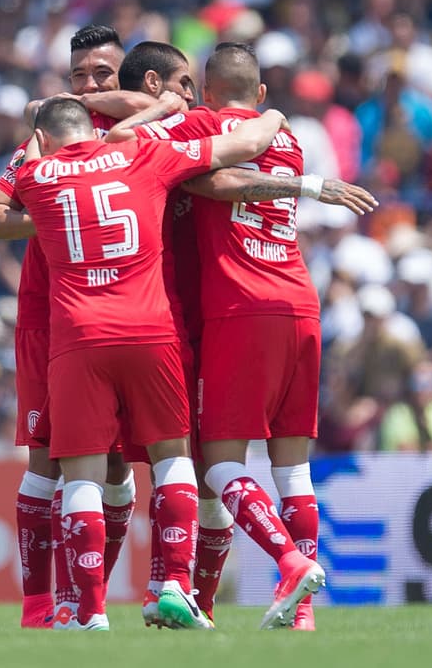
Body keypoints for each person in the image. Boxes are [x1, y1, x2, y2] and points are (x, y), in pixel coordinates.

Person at [105, 42, 374, 626]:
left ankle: (289, 562)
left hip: (239, 308)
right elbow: (241, 157)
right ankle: (300, 615)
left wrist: (163, 114)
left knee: (220, 465)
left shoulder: (199, 123)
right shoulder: (290, 138)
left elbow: (140, 150)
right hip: (301, 303)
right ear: (259, 93)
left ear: (202, 90)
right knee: (293, 470)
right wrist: (277, 124)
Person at [12, 96, 288, 631]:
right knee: (173, 460)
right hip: (150, 331)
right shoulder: (145, 156)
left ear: (46, 140)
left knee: (84, 476)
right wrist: (273, 116)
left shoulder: (36, 175)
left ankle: (89, 612)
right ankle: (176, 587)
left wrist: (37, 127)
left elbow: (12, 184)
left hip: (78, 339)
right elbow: (248, 144)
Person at [0, 24, 174, 629]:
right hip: (52, 315)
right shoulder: (39, 148)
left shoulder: (141, 138)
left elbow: (172, 110)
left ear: (129, 80)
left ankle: (84, 599)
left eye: (102, 76)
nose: (88, 86)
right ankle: (42, 606)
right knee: (50, 460)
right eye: (79, 76)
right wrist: (70, 215)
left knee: (117, 470)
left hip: (134, 313)